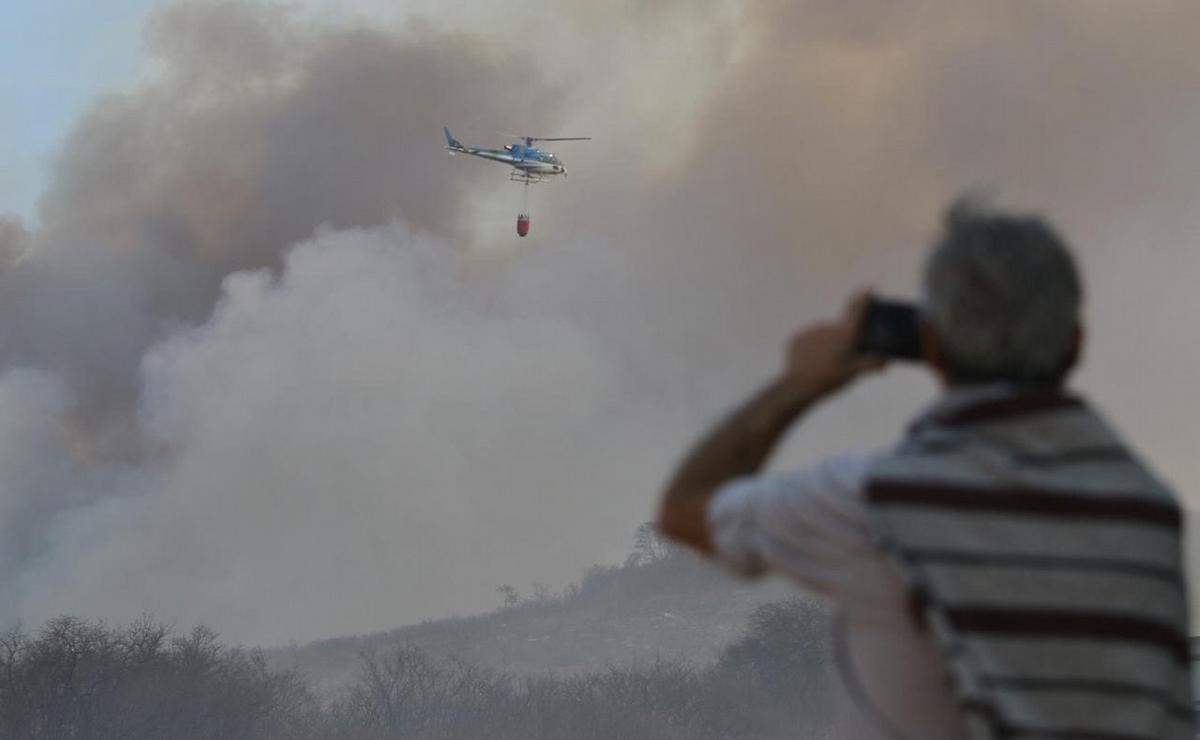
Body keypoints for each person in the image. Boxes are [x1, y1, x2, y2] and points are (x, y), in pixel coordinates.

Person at [657, 199, 1193, 740]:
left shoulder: (875, 503)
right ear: (1076, 343)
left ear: (931, 343)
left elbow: (686, 511)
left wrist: (801, 383)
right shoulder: (1149, 518)